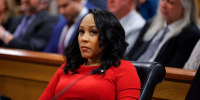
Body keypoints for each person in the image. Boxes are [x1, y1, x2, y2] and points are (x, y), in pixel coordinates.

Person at [39, 9, 141, 100]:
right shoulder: (68, 66)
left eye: (93, 32)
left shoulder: (123, 69)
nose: (84, 38)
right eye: (81, 31)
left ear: (109, 37)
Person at [126, 0, 200, 68]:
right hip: (131, 72)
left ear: (184, 8)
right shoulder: (151, 23)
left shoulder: (190, 35)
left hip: (154, 79)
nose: (163, 5)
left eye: (170, 2)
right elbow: (132, 54)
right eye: (162, 0)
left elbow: (173, 69)